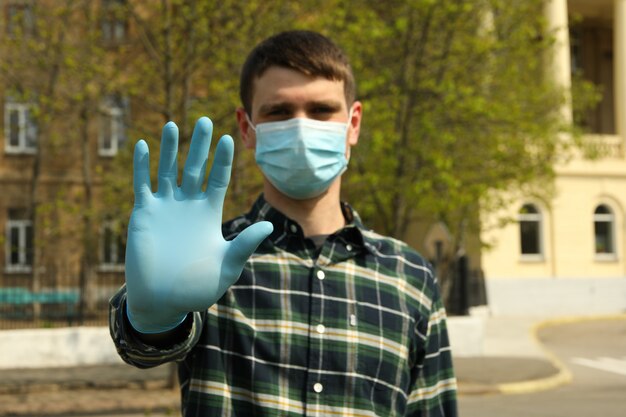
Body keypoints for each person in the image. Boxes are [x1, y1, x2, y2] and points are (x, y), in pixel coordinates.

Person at [110, 30, 458, 416]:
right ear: (247, 128)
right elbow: (143, 348)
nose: (301, 127)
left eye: (322, 110)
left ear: (353, 124)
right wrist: (153, 320)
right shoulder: (208, 255)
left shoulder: (410, 276)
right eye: (278, 112)